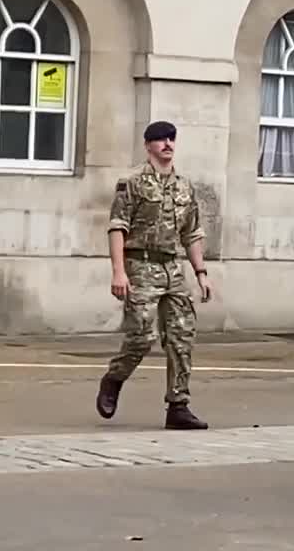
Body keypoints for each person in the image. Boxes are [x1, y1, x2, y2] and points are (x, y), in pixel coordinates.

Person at [95, 120, 214, 430]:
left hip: (172, 268)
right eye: (160, 139)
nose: (167, 144)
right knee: (142, 336)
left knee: (181, 335)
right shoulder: (131, 182)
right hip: (140, 266)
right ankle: (114, 378)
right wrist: (118, 272)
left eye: (171, 139)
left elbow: (191, 234)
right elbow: (117, 227)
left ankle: (178, 405)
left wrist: (201, 272)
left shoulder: (185, 186)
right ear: (148, 145)